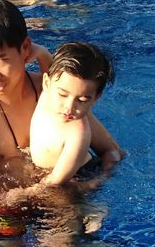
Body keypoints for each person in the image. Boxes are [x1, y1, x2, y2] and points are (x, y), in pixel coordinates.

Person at [0, 0, 123, 184]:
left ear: (25, 48)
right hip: (11, 208)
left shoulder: (55, 95)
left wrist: (95, 183)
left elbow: (111, 151)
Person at [30, 42, 114, 186]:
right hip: (47, 171)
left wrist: (19, 194)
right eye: (63, 95)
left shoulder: (78, 133)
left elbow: (55, 181)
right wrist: (40, 51)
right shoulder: (47, 95)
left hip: (79, 175)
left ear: (95, 98)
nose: (69, 108)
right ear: (46, 84)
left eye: (81, 100)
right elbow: (51, 67)